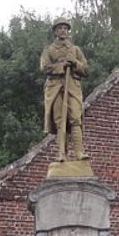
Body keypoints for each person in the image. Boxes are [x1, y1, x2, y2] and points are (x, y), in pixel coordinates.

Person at [40, 18, 89, 162]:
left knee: (75, 118)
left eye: (65, 28)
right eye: (60, 28)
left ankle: (79, 152)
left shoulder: (75, 50)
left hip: (72, 87)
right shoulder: (49, 50)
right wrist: (61, 66)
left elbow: (86, 69)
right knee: (60, 121)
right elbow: (44, 67)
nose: (63, 31)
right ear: (55, 31)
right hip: (55, 87)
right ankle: (61, 153)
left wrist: (74, 63)